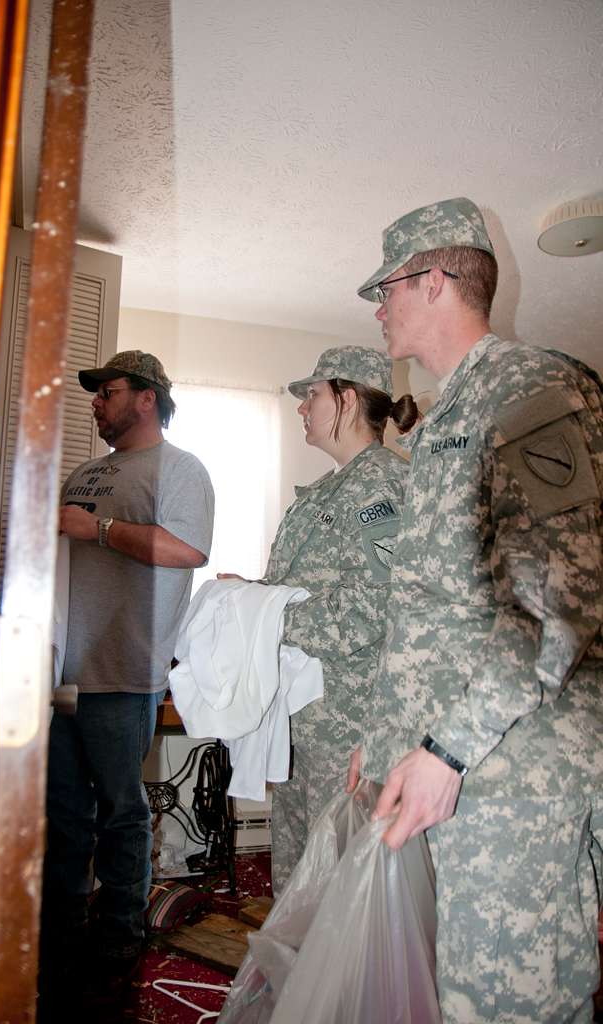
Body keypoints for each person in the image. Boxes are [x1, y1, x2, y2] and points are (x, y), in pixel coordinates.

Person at [349, 197, 603, 1023]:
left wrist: (447, 750)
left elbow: (558, 600)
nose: (378, 308)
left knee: (504, 1005)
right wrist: (388, 736)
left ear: (431, 280)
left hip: (517, 772)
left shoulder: (535, 390)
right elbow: (437, 611)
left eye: (384, 289)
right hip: (462, 760)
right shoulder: (442, 422)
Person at [41, 350, 215, 1000]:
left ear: (147, 397)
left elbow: (188, 550)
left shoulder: (181, 468)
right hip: (57, 673)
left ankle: (118, 938)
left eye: (107, 391)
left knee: (119, 813)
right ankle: (56, 936)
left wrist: (101, 528)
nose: (96, 401)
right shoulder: (85, 472)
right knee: (62, 815)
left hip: (124, 671)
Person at [222, 346, 418, 894]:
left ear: (347, 398)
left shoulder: (381, 486)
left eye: (311, 395)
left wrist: (265, 614)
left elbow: (367, 613)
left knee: (342, 891)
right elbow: (297, 593)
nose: (301, 407)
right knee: (299, 882)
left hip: (350, 729)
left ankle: (336, 984)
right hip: (304, 721)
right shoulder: (325, 492)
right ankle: (298, 979)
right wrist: (249, 595)